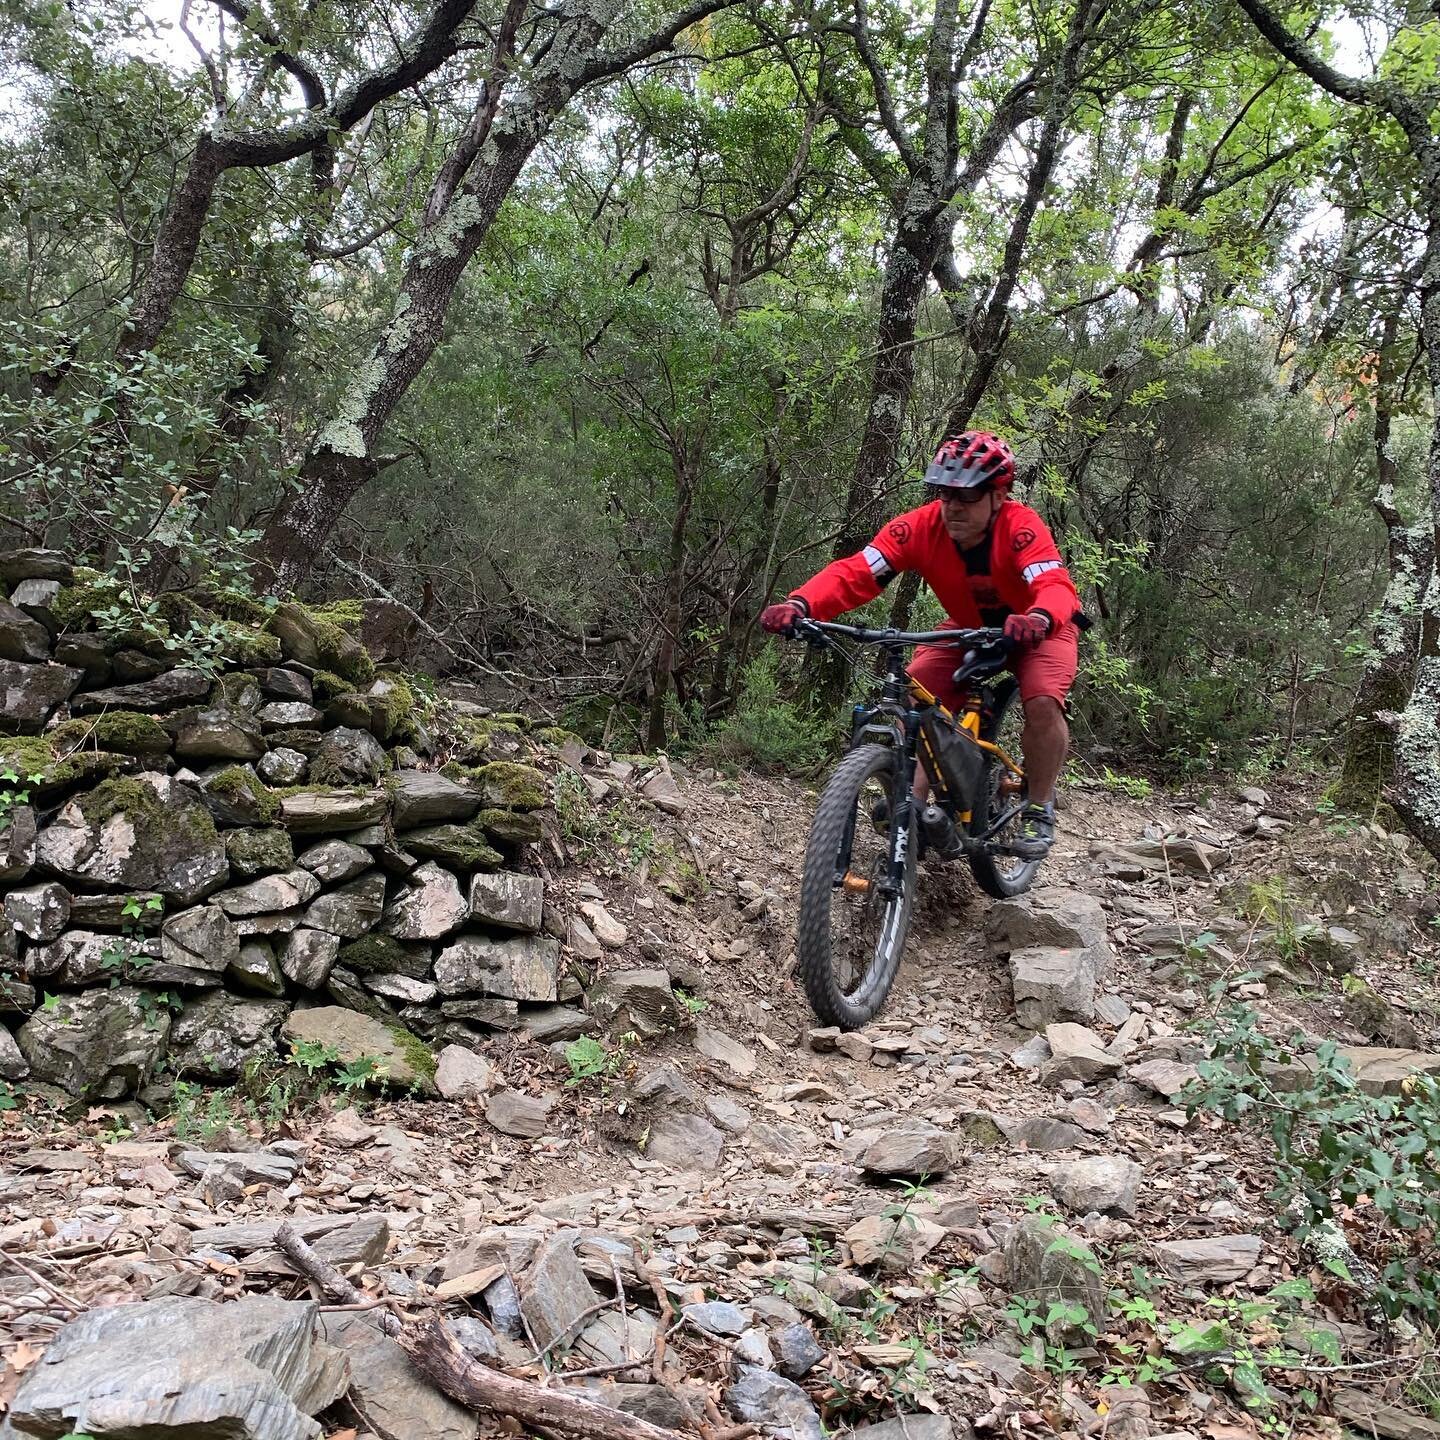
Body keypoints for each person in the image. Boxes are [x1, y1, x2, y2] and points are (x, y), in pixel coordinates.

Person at [760, 430, 1082, 859]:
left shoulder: (1021, 528)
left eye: (967, 497)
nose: (953, 507)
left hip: (1040, 627)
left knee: (1042, 702)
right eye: (945, 494)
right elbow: (858, 572)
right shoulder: (918, 527)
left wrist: (1039, 617)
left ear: (998, 496)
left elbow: (1054, 586)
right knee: (915, 696)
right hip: (967, 627)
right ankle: (909, 806)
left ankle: (1039, 808)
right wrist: (801, 603)